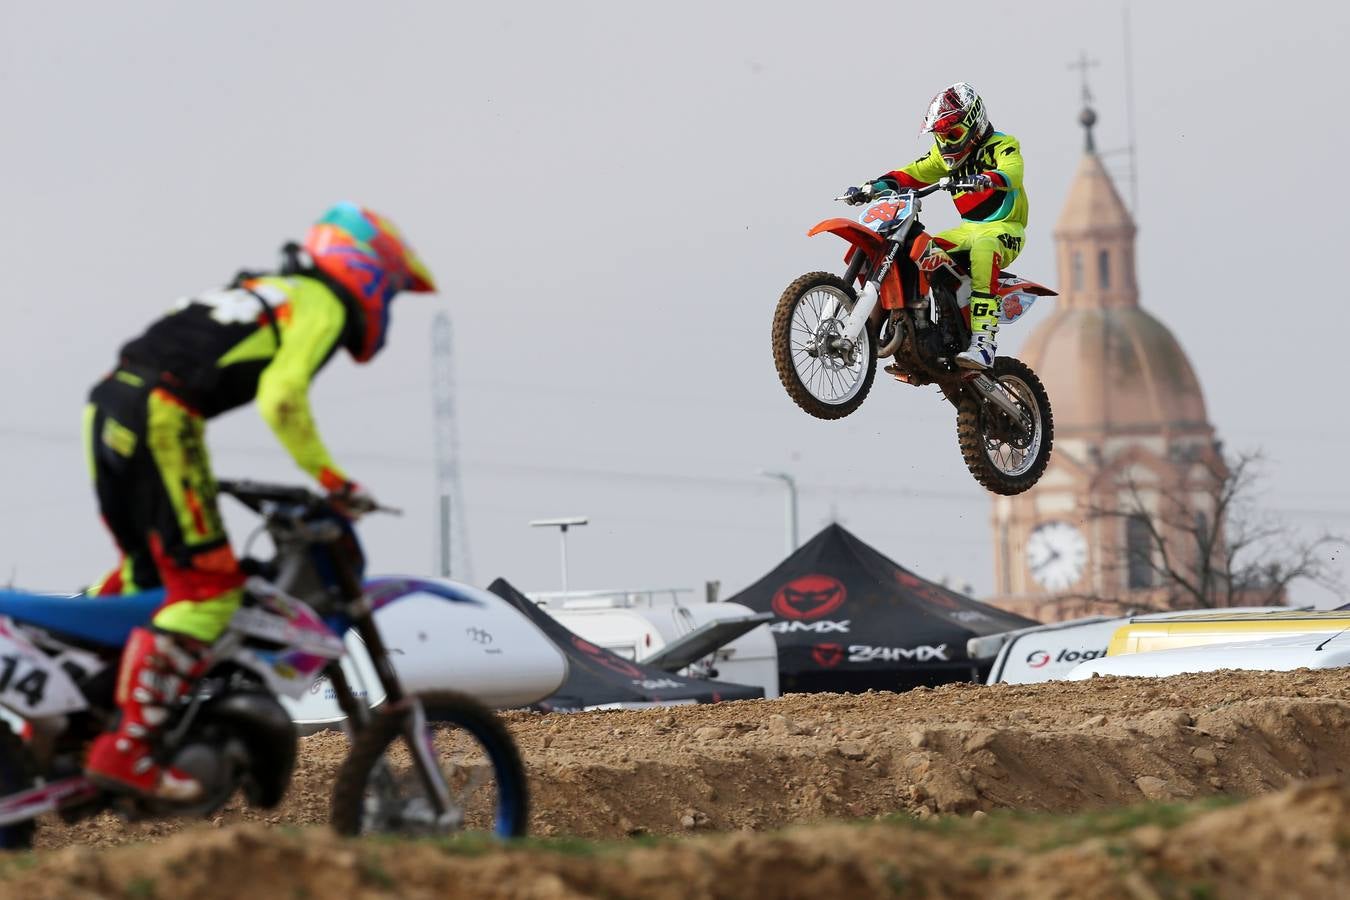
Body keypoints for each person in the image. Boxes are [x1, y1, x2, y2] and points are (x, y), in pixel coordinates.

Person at [83, 203, 436, 799]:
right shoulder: (319, 301)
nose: (386, 307)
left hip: (109, 406)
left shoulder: (261, 288)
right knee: (210, 588)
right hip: (164, 415)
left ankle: (81, 705)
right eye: (391, 292)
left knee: (147, 578)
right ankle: (131, 748)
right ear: (366, 272)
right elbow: (282, 397)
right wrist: (334, 480)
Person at [845, 82, 1028, 369]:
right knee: (919, 250)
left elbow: (1013, 171)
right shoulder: (944, 157)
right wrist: (873, 187)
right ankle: (919, 332)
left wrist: (990, 178)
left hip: (1003, 230)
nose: (947, 143)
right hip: (966, 231)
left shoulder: (1002, 145)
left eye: (953, 134)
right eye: (941, 136)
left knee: (984, 247)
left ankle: (984, 342)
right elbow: (910, 174)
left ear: (974, 125)